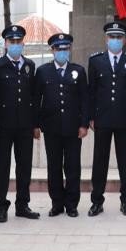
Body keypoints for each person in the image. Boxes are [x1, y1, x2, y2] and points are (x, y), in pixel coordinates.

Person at [87, 21, 126, 217]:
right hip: (101, 120)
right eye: (112, 37)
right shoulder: (96, 61)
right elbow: (91, 92)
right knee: (99, 162)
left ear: (124, 40)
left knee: (125, 162)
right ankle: (97, 201)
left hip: (124, 119)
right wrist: (90, 117)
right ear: (106, 39)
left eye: (119, 37)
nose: (115, 41)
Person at [33, 33, 89, 217]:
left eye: (65, 49)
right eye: (58, 49)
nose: (62, 52)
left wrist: (84, 124)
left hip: (73, 128)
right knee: (54, 167)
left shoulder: (78, 71)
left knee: (73, 167)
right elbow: (36, 100)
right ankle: (57, 203)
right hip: (52, 128)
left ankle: (72, 204)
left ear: (70, 49)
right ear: (52, 50)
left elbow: (84, 100)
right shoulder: (43, 72)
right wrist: (37, 125)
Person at [0, 24, 40, 222]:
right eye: (12, 42)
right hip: (3, 126)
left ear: (23, 44)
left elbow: (33, 98)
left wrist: (35, 124)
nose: (16, 45)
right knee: (2, 166)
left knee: (24, 166)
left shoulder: (29, 65)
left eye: (19, 42)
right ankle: (2, 206)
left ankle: (22, 204)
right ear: (6, 44)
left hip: (25, 126)